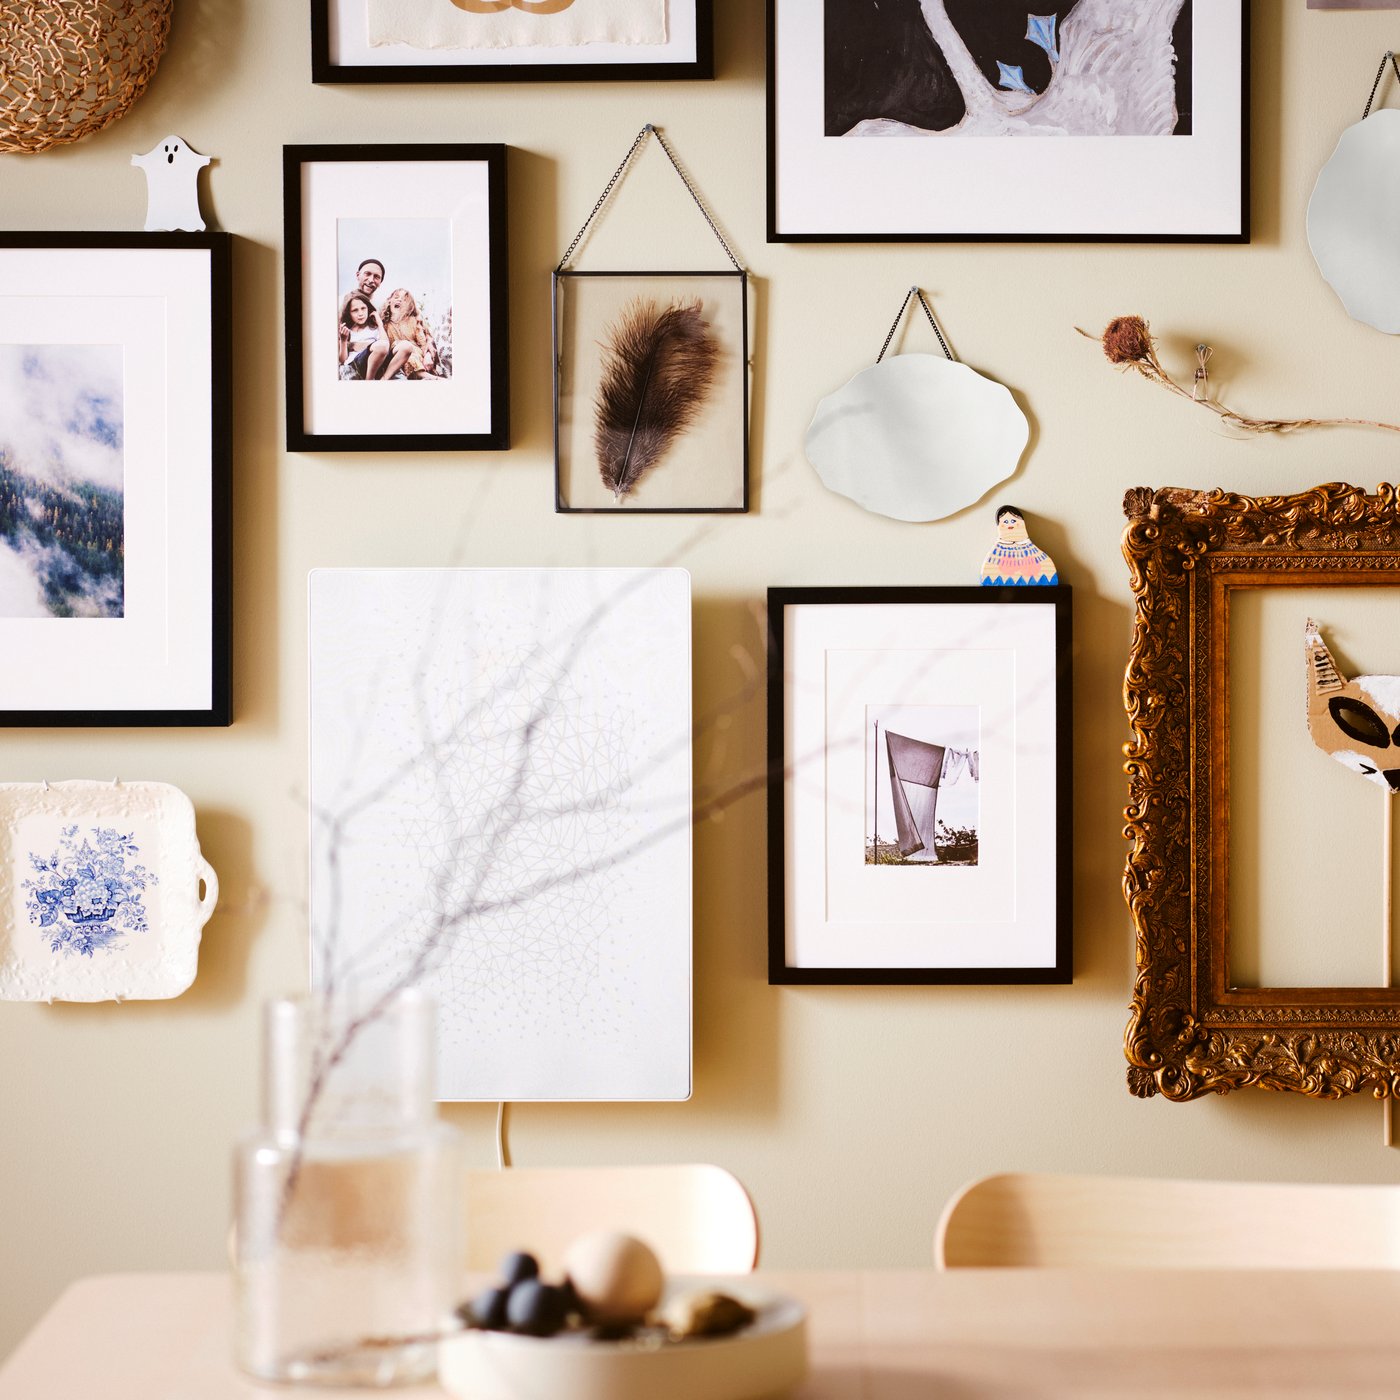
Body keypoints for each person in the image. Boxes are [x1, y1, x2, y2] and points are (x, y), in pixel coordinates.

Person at [378, 288, 440, 380]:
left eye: (404, 300)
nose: (399, 300)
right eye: (396, 297)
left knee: (409, 347)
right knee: (399, 344)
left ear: (409, 306)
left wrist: (428, 356)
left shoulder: (413, 321)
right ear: (389, 301)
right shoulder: (384, 323)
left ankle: (422, 374)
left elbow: (423, 343)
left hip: (416, 354)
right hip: (395, 355)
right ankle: (425, 376)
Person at [337, 291, 390, 381]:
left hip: (374, 365)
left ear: (368, 309)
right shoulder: (347, 331)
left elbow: (385, 345)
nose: (360, 313)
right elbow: (342, 360)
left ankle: (371, 379)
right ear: (349, 313)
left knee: (399, 346)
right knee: (380, 345)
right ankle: (369, 380)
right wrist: (343, 340)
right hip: (355, 365)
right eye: (355, 310)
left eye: (363, 308)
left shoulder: (375, 329)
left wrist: (380, 324)